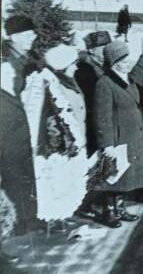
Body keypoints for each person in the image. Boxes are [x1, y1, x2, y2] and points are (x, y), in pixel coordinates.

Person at [21, 44, 90, 228]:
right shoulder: (53, 86)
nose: (76, 67)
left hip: (74, 141)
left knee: (69, 182)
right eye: (74, 64)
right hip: (60, 145)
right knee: (57, 182)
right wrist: (63, 145)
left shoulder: (69, 81)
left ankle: (63, 216)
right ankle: (55, 220)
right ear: (64, 66)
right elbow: (51, 116)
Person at [93, 41, 143, 228]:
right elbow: (102, 117)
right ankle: (107, 212)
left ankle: (120, 208)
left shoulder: (128, 79)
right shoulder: (105, 83)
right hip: (117, 138)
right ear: (114, 61)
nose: (128, 61)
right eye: (123, 59)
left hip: (131, 136)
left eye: (128, 57)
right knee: (112, 176)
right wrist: (107, 144)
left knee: (125, 176)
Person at [0, 16, 39, 235]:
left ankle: (27, 220)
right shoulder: (5, 61)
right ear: (14, 37)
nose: (33, 37)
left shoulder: (30, 58)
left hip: (28, 130)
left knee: (26, 176)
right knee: (14, 176)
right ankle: (18, 223)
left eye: (33, 33)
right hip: (10, 132)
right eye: (28, 34)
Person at [74, 31, 112, 157]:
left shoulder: (106, 65)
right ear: (91, 50)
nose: (107, 50)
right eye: (103, 48)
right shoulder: (83, 70)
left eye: (108, 46)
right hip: (92, 127)